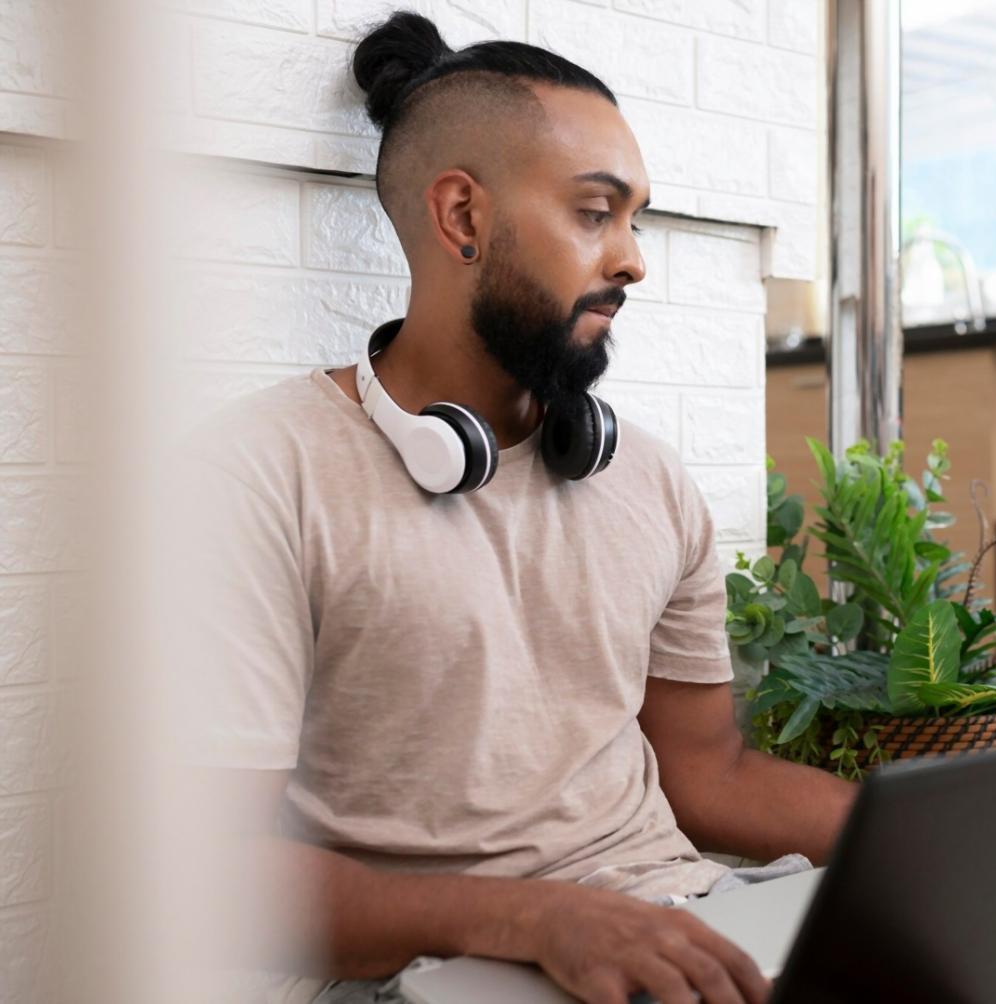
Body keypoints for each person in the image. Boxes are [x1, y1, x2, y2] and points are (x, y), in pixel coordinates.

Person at [178, 11, 855, 1004]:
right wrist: (535, 916)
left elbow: (711, 776)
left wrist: (945, 838)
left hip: (687, 917)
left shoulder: (652, 482)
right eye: (595, 214)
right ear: (463, 219)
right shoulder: (256, 474)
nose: (632, 260)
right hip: (433, 970)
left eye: (636, 220)